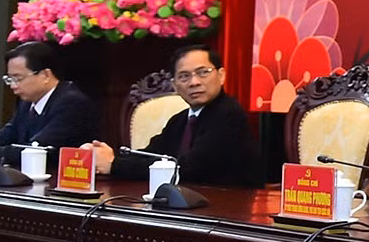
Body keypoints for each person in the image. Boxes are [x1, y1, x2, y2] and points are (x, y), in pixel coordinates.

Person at [88, 44, 260, 186]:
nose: (194, 82)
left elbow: (188, 169)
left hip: (227, 210)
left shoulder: (228, 114)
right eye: (184, 76)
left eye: (203, 72)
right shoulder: (180, 119)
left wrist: (115, 165)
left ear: (221, 75)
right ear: (175, 85)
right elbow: (151, 154)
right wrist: (105, 156)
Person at [0, 42, 100, 165]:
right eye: (9, 79)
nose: (13, 85)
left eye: (18, 79)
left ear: (45, 75)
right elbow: (2, 138)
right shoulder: (27, 102)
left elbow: (35, 151)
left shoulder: (72, 102)